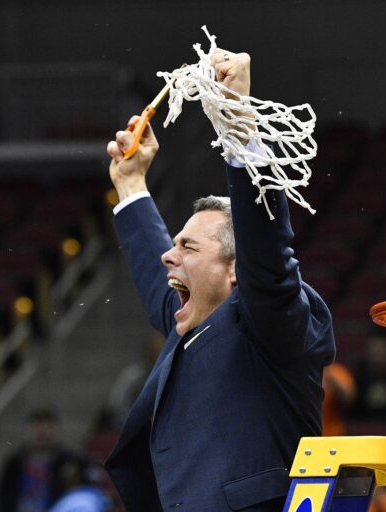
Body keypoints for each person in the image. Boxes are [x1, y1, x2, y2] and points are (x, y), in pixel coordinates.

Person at [103, 47, 335, 511]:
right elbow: (156, 283)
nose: (171, 255)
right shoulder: (196, 322)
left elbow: (267, 254)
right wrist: (131, 185)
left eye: (188, 247)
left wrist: (238, 123)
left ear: (236, 268)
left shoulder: (269, 320)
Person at [0, 407, 75, 512]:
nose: (42, 433)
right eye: (37, 428)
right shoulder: (14, 461)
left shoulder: (66, 461)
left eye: (47, 429)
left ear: (55, 431)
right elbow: (5, 495)